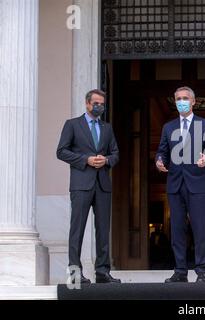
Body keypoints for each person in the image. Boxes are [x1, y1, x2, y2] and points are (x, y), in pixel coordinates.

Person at [56, 89, 121, 284]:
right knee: (77, 230)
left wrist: (106, 160)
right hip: (81, 185)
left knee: (103, 230)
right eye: (96, 103)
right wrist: (86, 159)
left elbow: (116, 153)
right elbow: (61, 151)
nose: (99, 106)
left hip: (102, 185)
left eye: (102, 103)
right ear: (87, 103)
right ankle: (75, 275)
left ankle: (103, 272)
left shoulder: (107, 128)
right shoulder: (72, 125)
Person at [156, 86, 205, 283]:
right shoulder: (168, 127)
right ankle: (180, 271)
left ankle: (202, 272)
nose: (181, 101)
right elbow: (162, 152)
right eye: (178, 98)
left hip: (198, 184)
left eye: (185, 98)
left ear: (193, 102)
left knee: (200, 229)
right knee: (177, 230)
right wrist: (159, 161)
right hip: (175, 185)